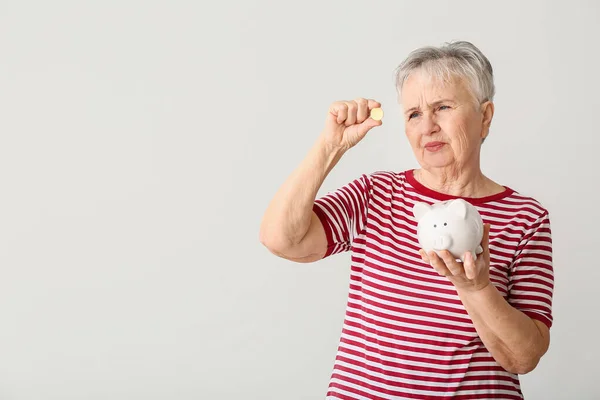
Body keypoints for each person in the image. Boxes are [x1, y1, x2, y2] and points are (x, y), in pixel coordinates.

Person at [259, 41, 553, 399]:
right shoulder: (377, 193)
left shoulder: (525, 217)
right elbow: (281, 239)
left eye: (442, 107)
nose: (427, 126)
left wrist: (474, 288)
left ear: (485, 117)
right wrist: (330, 146)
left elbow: (523, 358)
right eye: (414, 114)